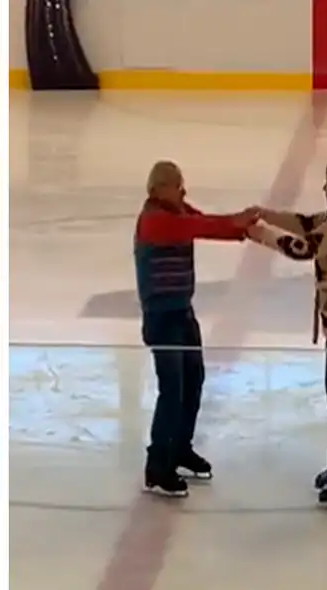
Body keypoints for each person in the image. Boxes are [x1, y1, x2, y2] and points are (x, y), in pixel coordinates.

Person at [246, 159, 327, 506]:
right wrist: (267, 215)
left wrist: (260, 234)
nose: (324, 189)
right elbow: (304, 224)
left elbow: (302, 248)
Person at [134, 161, 259, 497]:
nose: (183, 190)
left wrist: (242, 229)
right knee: (172, 389)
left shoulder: (178, 211)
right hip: (162, 318)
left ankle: (179, 447)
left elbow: (203, 221)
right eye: (177, 185)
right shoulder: (155, 220)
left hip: (183, 313)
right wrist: (237, 223)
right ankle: (158, 465)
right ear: (159, 189)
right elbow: (197, 227)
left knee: (193, 381)